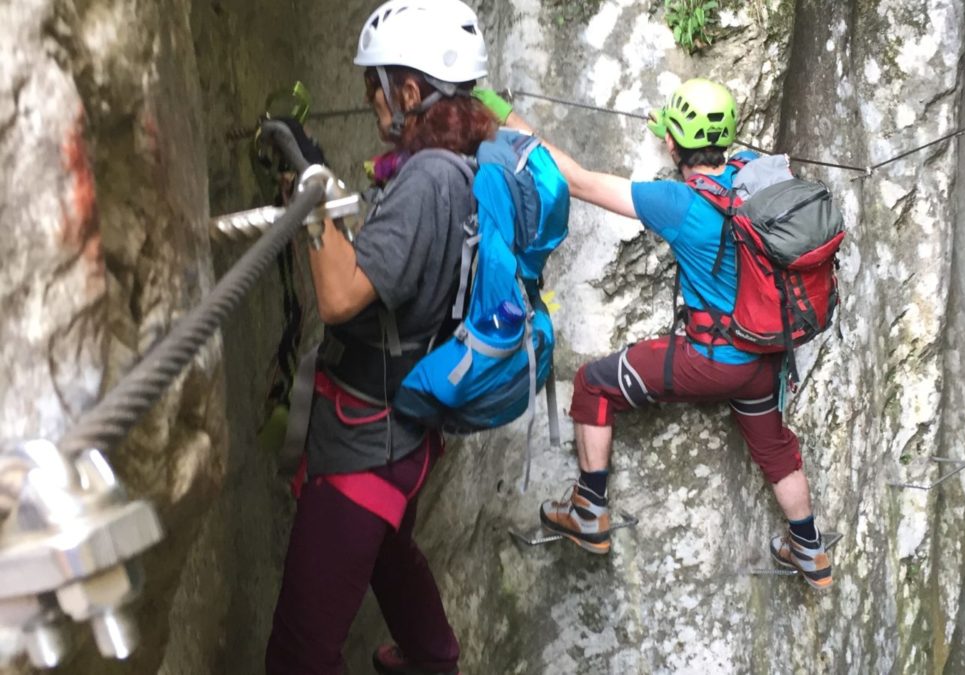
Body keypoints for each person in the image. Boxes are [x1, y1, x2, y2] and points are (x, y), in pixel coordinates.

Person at [477, 79, 833, 589]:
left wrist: (503, 113)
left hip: (710, 361)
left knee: (594, 383)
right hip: (764, 361)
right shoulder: (752, 176)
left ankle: (589, 509)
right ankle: (810, 551)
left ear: (673, 144)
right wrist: (673, 133)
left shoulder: (674, 201)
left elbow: (574, 179)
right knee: (774, 448)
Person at [264, 1, 497, 673]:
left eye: (378, 82)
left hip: (369, 439)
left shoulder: (427, 181)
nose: (370, 96)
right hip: (405, 429)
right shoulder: (463, 162)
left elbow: (340, 297)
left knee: (300, 651)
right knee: (389, 548)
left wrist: (311, 190)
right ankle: (431, 656)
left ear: (413, 92)